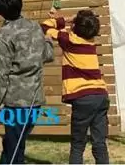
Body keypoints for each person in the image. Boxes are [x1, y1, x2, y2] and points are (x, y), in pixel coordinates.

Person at [0, 0, 54, 164]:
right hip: (35, 100)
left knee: (13, 149)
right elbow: (47, 56)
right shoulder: (35, 27)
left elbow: (0, 73)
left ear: (0, 10)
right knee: (16, 145)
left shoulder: (3, 35)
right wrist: (48, 41)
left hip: (14, 103)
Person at [41, 9, 110, 164]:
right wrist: (68, 22)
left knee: (78, 144)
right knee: (99, 142)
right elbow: (65, 34)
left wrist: (63, 19)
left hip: (83, 99)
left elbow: (44, 27)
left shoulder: (69, 40)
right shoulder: (89, 42)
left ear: (75, 27)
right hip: (101, 96)